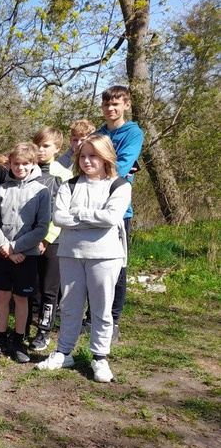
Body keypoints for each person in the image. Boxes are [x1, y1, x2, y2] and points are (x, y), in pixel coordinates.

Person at [36, 135, 131, 383]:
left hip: (105, 255)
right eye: (83, 156)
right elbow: (59, 218)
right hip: (70, 253)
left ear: (105, 157)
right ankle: (63, 352)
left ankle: (99, 357)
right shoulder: (69, 185)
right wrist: (92, 218)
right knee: (69, 307)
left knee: (101, 308)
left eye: (93, 155)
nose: (87, 161)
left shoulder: (119, 185)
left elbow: (111, 218)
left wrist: (77, 215)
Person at [0, 143, 51, 363]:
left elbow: (42, 227)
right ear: (9, 164)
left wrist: (16, 247)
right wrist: (6, 248)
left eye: (25, 163)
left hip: (26, 255)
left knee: (22, 297)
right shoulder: (1, 189)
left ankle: (19, 339)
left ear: (33, 164)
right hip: (2, 253)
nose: (20, 167)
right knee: (2, 296)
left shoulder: (41, 191)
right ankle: (0, 338)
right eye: (16, 163)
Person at [95, 86, 144, 342]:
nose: (110, 109)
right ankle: (92, 318)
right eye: (106, 104)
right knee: (94, 265)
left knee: (117, 267)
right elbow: (83, 162)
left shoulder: (133, 133)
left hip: (118, 210)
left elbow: (123, 165)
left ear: (126, 105)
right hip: (93, 207)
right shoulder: (98, 134)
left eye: (116, 104)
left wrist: (99, 169)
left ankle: (113, 321)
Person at [29, 127, 73, 352]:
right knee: (31, 286)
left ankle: (44, 331)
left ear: (57, 148)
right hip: (28, 239)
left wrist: (46, 238)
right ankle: (26, 326)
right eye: (37, 145)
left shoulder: (63, 174)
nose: (40, 150)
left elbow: (61, 210)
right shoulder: (27, 170)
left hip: (53, 240)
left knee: (49, 288)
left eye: (45, 146)